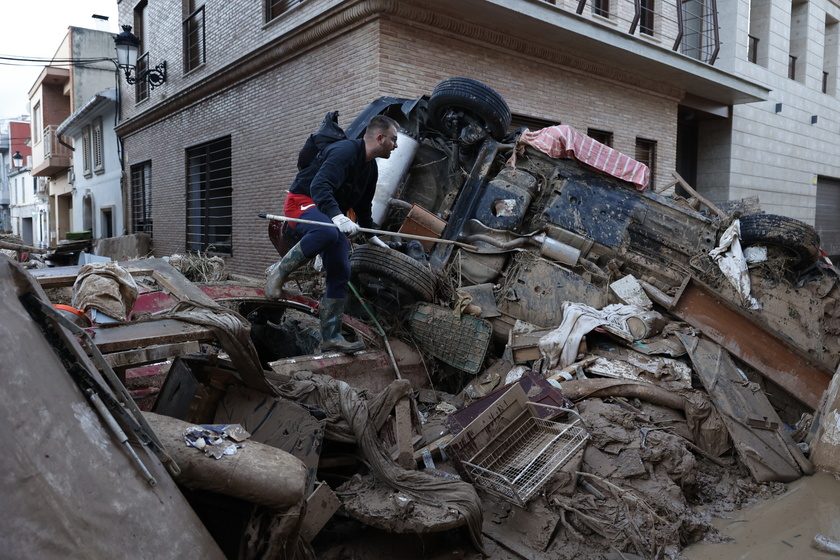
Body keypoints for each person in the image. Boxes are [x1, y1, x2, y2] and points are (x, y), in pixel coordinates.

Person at [266, 114, 400, 353]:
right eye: (393, 139)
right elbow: (319, 186)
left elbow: (363, 206)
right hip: (302, 202)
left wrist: (372, 236)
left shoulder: (370, 169)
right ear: (380, 138)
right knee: (327, 233)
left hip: (327, 213)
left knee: (341, 269)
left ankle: (331, 336)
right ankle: (279, 272)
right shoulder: (344, 151)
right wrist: (337, 217)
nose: (396, 145)